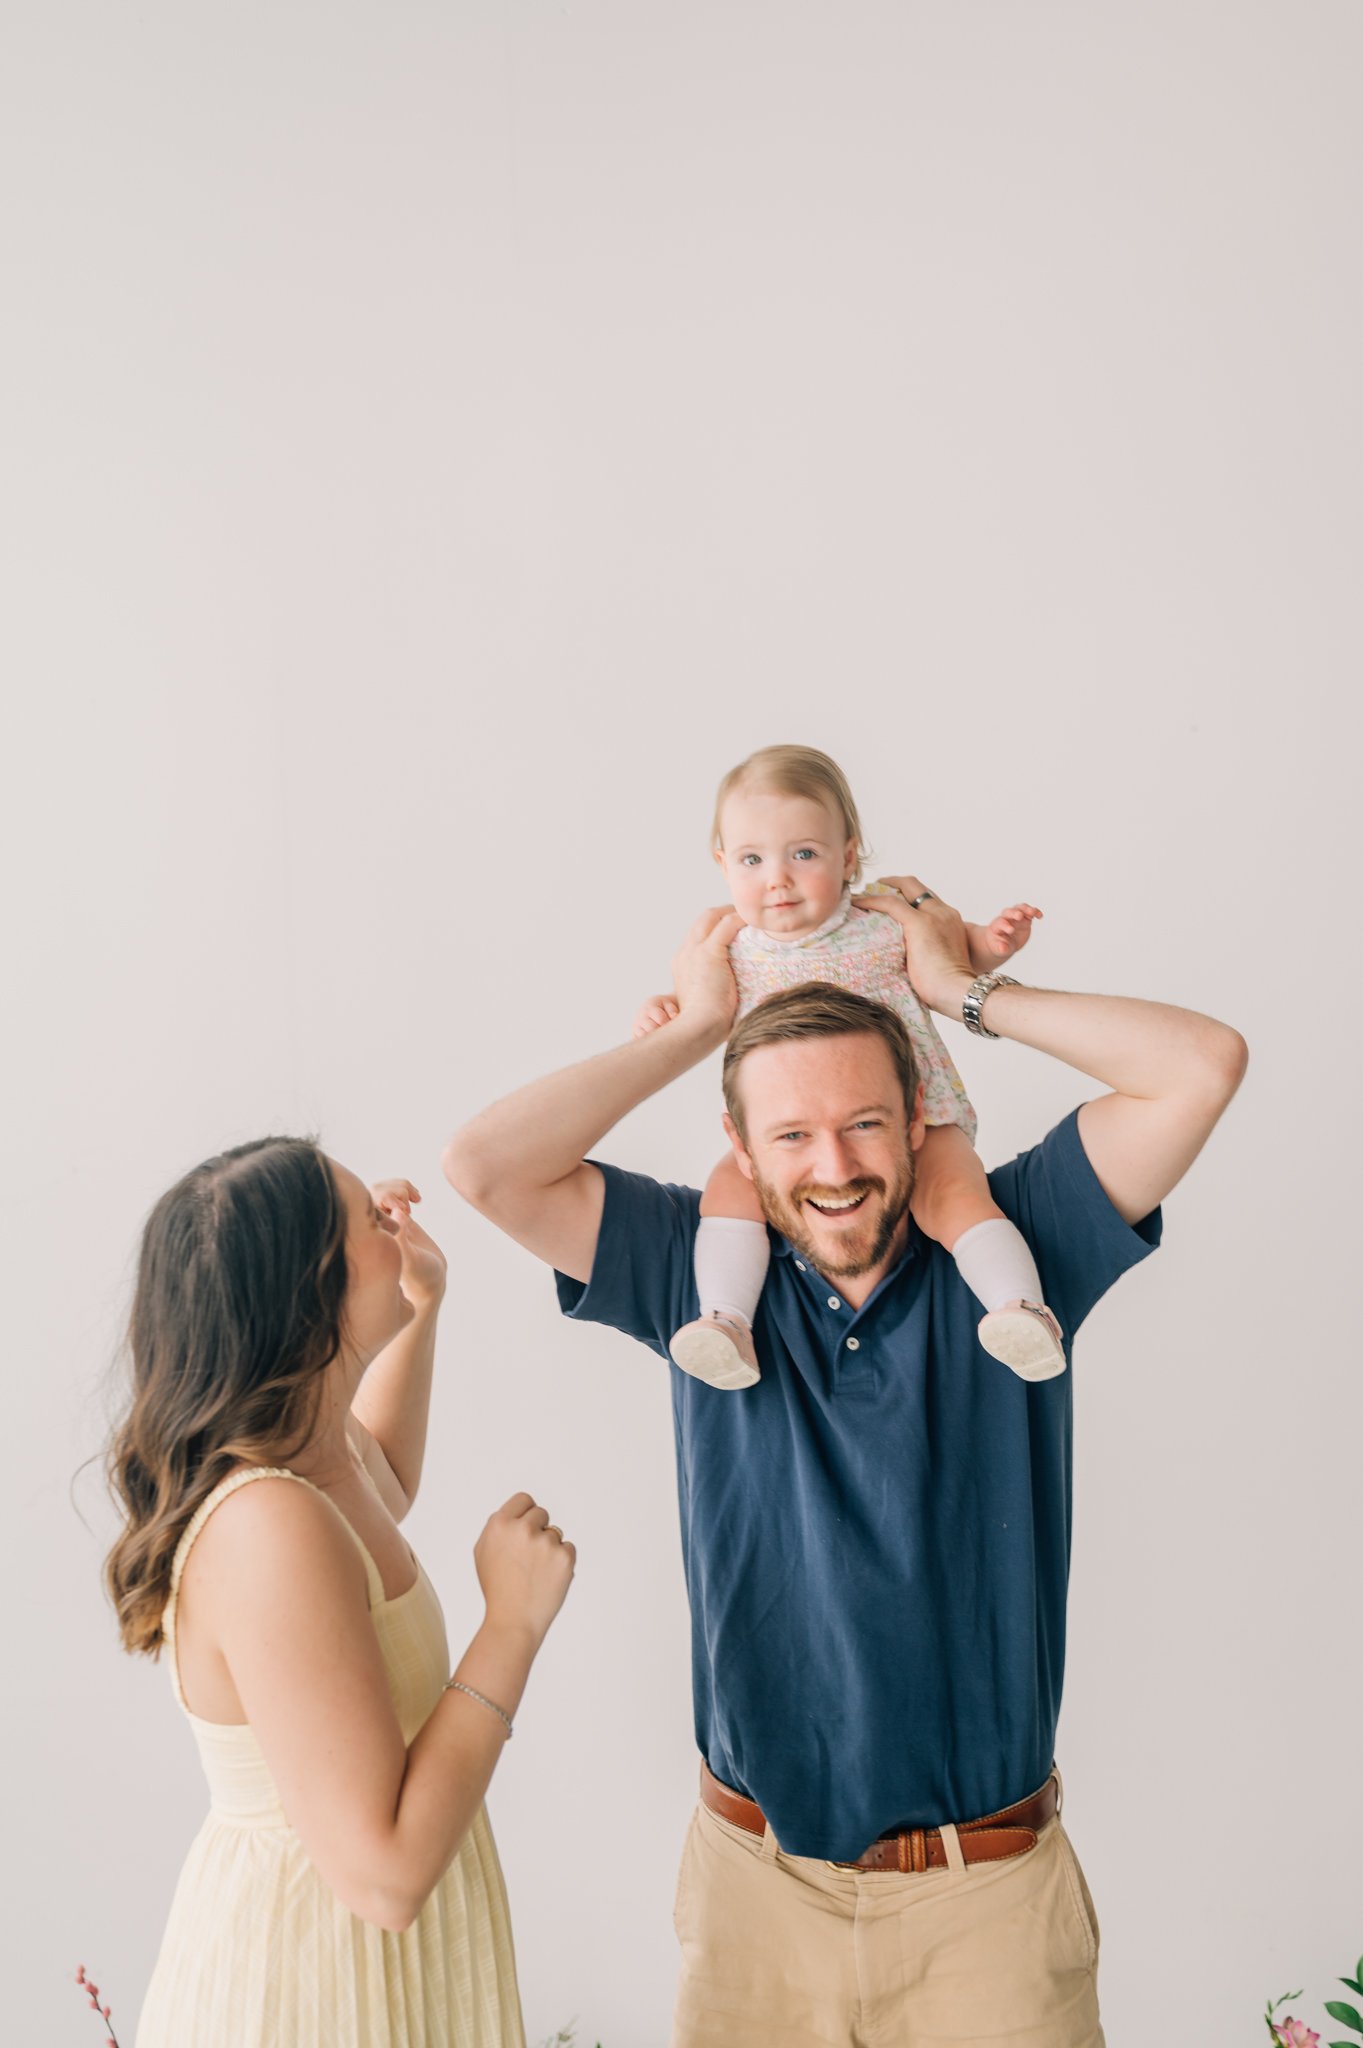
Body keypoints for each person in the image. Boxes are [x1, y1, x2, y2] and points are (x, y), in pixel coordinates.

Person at [444, 877, 1247, 2046]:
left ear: (918, 1111)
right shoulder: (695, 1268)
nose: (835, 1163)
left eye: (865, 1121)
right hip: (754, 1894)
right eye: (791, 1132)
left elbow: (1201, 1063)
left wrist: (964, 991)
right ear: (740, 1144)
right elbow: (484, 1166)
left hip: (989, 1899)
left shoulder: (1014, 1245)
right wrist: (695, 1029)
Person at [105, 1138, 575, 2048]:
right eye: (369, 1217)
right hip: (312, 1981)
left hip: (357, 1960)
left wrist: (420, 1306)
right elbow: (385, 1877)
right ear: (310, 1291)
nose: (394, 1218)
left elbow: (384, 1482)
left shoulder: (308, 1459)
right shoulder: (267, 1528)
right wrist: (510, 1626)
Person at [633, 742, 1064, 1389]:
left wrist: (990, 942)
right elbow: (697, 1003)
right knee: (728, 1189)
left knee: (954, 1195)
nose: (776, 878)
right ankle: (725, 1320)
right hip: (792, 1140)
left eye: (802, 854)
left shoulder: (881, 918)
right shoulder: (727, 947)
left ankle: (1018, 1309)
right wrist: (664, 1010)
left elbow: (954, 958)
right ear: (723, 864)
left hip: (915, 1115)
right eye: (752, 859)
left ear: (848, 855)